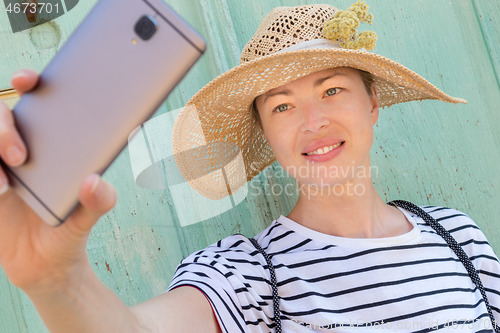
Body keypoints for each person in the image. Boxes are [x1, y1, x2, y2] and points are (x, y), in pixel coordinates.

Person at [0, 2, 498, 333]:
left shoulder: (458, 236)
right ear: (265, 131)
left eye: (332, 89)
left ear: (371, 102)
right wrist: (56, 282)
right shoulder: (250, 275)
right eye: (281, 106)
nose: (313, 122)